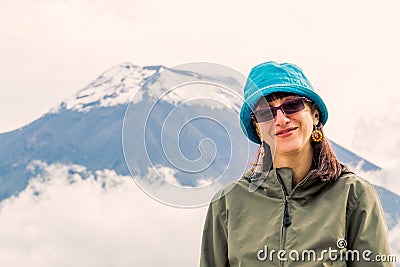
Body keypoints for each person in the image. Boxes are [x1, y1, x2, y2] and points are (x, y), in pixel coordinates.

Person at [200, 61, 393, 266]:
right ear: (257, 128)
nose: (281, 120)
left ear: (315, 114)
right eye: (266, 113)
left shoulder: (353, 194)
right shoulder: (227, 203)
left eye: (292, 105)